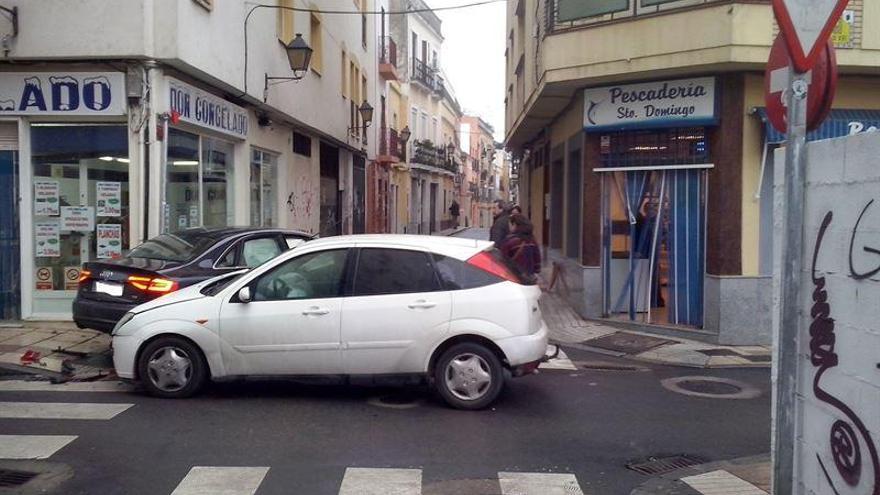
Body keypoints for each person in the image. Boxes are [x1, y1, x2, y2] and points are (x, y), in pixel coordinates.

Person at [499, 213, 541, 279]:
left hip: (514, 276)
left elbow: (503, 258)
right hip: (529, 276)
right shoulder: (532, 239)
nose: (509, 227)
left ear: (514, 225)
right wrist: (535, 271)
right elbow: (537, 257)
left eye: (509, 225)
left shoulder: (510, 240)